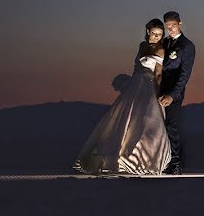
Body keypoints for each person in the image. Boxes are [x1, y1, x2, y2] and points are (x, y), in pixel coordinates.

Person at [74, 19, 172, 175]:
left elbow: (159, 73)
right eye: (154, 33)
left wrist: (158, 91)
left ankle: (145, 160)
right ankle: (117, 157)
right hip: (135, 85)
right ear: (147, 32)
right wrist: (129, 83)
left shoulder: (160, 49)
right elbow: (136, 67)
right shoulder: (142, 46)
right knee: (125, 120)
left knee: (146, 121)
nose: (157, 37)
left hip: (148, 86)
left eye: (160, 34)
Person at [158, 10, 197, 175]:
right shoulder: (165, 42)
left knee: (171, 126)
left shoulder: (187, 46)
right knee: (158, 126)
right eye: (168, 26)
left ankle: (175, 164)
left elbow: (184, 74)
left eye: (173, 26)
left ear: (180, 24)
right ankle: (161, 160)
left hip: (174, 93)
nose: (171, 29)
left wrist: (172, 95)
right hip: (158, 90)